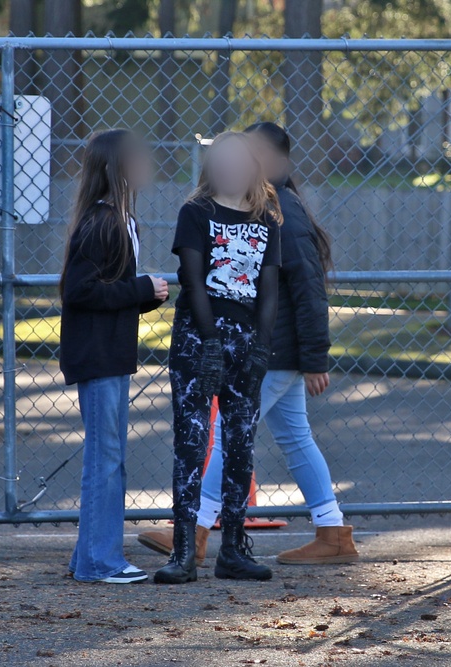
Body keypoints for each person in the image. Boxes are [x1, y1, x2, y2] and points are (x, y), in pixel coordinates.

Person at [138, 122, 358, 566]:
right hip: (273, 346)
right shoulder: (261, 206)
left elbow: (309, 289)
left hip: (272, 348)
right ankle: (333, 531)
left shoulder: (281, 212)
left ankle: (196, 531)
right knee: (295, 437)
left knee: (228, 438)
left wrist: (315, 358)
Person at [154, 131, 282, 585]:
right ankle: (184, 551)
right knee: (191, 441)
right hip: (198, 337)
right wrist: (208, 340)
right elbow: (192, 279)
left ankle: (232, 549)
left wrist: (261, 345)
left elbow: (268, 286)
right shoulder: (197, 213)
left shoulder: (267, 219)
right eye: (220, 159)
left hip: (245, 339)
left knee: (240, 443)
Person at [59, 128, 169, 584]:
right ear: (117, 168)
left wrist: (143, 296)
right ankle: (101, 562)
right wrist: (140, 288)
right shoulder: (102, 221)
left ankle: (88, 558)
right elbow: (79, 290)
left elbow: (108, 291)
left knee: (111, 457)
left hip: (112, 355)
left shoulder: (123, 220)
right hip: (98, 357)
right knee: (106, 460)